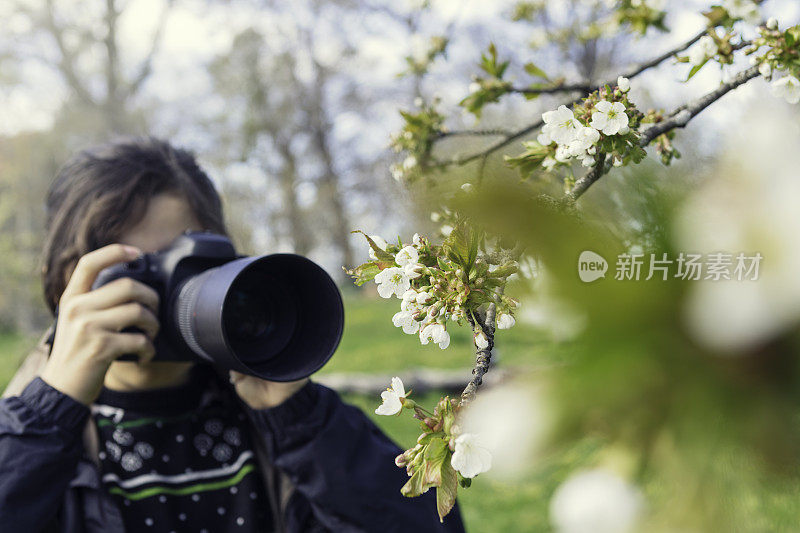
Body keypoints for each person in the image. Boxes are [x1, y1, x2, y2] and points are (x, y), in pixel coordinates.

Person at [0, 137, 466, 533]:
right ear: (62, 283)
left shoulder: (275, 415)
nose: (158, 296)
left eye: (181, 264)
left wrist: (300, 419)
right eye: (130, 269)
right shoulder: (36, 430)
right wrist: (52, 408)